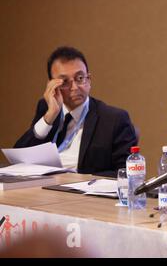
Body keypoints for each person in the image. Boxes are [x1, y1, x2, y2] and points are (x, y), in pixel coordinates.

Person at [15, 46, 137, 177]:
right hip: (44, 189)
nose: (75, 87)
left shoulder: (113, 119)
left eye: (80, 78)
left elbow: (126, 172)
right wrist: (49, 117)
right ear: (52, 85)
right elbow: (20, 158)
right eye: (64, 81)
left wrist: (79, 179)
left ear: (89, 80)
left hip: (83, 191)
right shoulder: (47, 108)